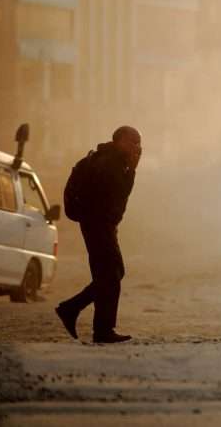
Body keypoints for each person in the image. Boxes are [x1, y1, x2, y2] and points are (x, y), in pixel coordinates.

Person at [55, 126, 141, 344]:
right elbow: (119, 194)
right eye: (132, 141)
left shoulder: (107, 158)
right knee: (112, 275)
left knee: (110, 274)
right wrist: (132, 170)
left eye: (138, 142)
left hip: (98, 224)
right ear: (119, 141)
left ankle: (82, 316)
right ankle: (89, 320)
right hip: (99, 224)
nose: (136, 147)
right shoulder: (110, 162)